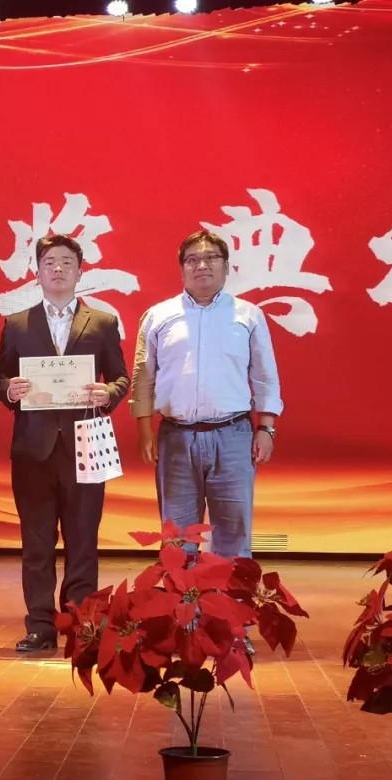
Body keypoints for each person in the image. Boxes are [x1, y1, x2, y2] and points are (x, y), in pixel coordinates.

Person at [0, 234, 129, 653]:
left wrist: (109, 393)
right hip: (33, 448)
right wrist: (9, 390)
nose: (58, 269)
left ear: (80, 272)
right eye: (49, 262)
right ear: (37, 272)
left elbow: (121, 377)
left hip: (85, 443)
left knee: (83, 540)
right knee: (36, 543)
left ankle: (83, 624)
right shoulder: (17, 323)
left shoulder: (102, 322)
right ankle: (39, 625)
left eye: (67, 262)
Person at [130, 228, 283, 561]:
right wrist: (145, 431)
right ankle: (183, 595)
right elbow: (143, 378)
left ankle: (232, 596)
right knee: (177, 537)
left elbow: (265, 376)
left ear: (226, 266)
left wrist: (266, 428)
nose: (202, 265)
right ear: (182, 268)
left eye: (211, 257)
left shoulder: (248, 315)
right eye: (192, 259)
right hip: (176, 437)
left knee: (233, 535)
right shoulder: (158, 316)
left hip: (233, 436)